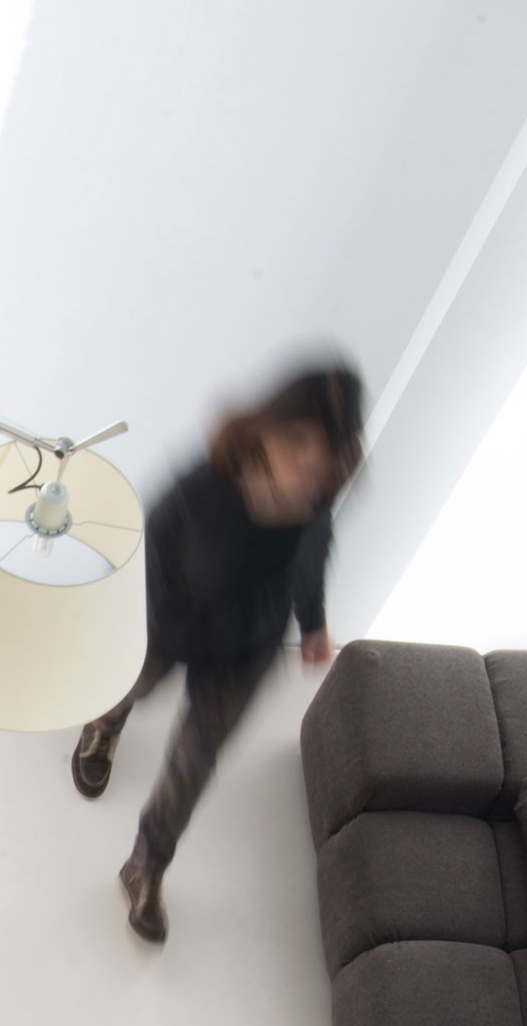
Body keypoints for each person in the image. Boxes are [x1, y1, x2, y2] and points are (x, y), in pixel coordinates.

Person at [72, 363, 365, 942]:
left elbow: (313, 560)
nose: (311, 464)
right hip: (165, 630)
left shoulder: (316, 503)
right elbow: (141, 565)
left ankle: (146, 867)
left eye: (327, 451)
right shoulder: (198, 489)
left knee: (191, 767)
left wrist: (314, 624)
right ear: (268, 428)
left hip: (243, 654)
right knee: (126, 685)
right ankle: (103, 727)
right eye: (299, 440)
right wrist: (135, 635)